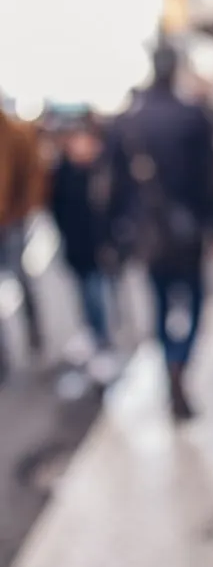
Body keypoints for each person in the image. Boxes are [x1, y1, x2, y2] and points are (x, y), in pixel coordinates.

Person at [108, 41, 213, 420]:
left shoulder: (129, 120)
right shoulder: (193, 116)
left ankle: (170, 365)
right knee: (194, 303)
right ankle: (180, 363)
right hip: (187, 229)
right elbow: (210, 178)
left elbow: (115, 187)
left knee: (160, 304)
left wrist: (117, 232)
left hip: (148, 232)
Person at [49, 113, 120, 384]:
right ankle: (94, 334)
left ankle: (103, 339)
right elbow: (56, 209)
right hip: (76, 246)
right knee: (85, 293)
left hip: (96, 247)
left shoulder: (99, 172)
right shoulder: (63, 173)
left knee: (97, 292)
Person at [0, 110, 46, 366]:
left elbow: (31, 174)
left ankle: (34, 330)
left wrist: (24, 210)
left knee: (19, 276)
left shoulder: (16, 132)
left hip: (11, 221)